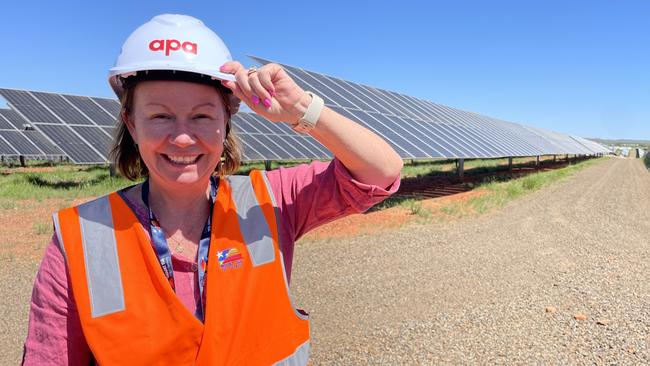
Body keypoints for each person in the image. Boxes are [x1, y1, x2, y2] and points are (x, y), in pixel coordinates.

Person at [22, 14, 402, 365]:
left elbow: (381, 172)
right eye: (159, 116)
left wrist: (301, 108)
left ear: (227, 121)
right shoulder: (79, 241)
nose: (183, 137)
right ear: (132, 124)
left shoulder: (271, 201)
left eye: (202, 116)